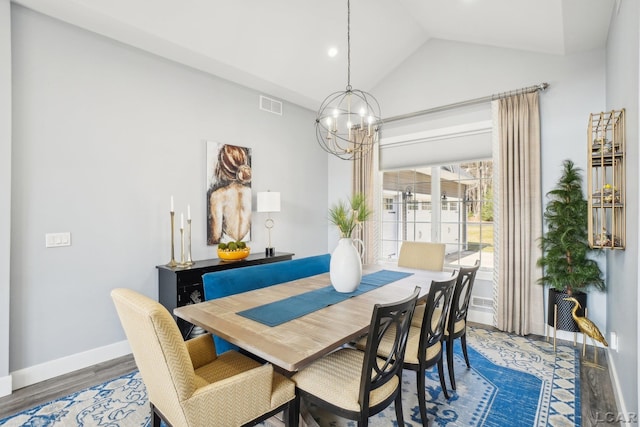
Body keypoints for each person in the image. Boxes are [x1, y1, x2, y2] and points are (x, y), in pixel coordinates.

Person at [207, 144, 252, 244]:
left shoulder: (218, 196)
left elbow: (216, 236)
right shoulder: (250, 193)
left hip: (227, 249)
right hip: (246, 246)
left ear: (223, 167)